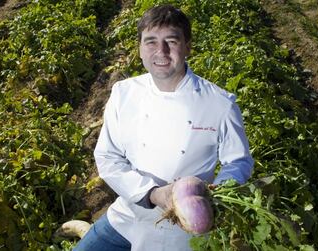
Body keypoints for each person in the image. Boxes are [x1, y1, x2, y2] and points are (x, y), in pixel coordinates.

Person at [73, 4, 254, 251]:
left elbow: (238, 162)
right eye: (151, 42)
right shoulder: (124, 93)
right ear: (139, 49)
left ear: (188, 46)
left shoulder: (219, 103)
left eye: (171, 41)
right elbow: (107, 156)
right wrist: (154, 194)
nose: (161, 51)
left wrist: (217, 196)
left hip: (184, 227)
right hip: (129, 214)